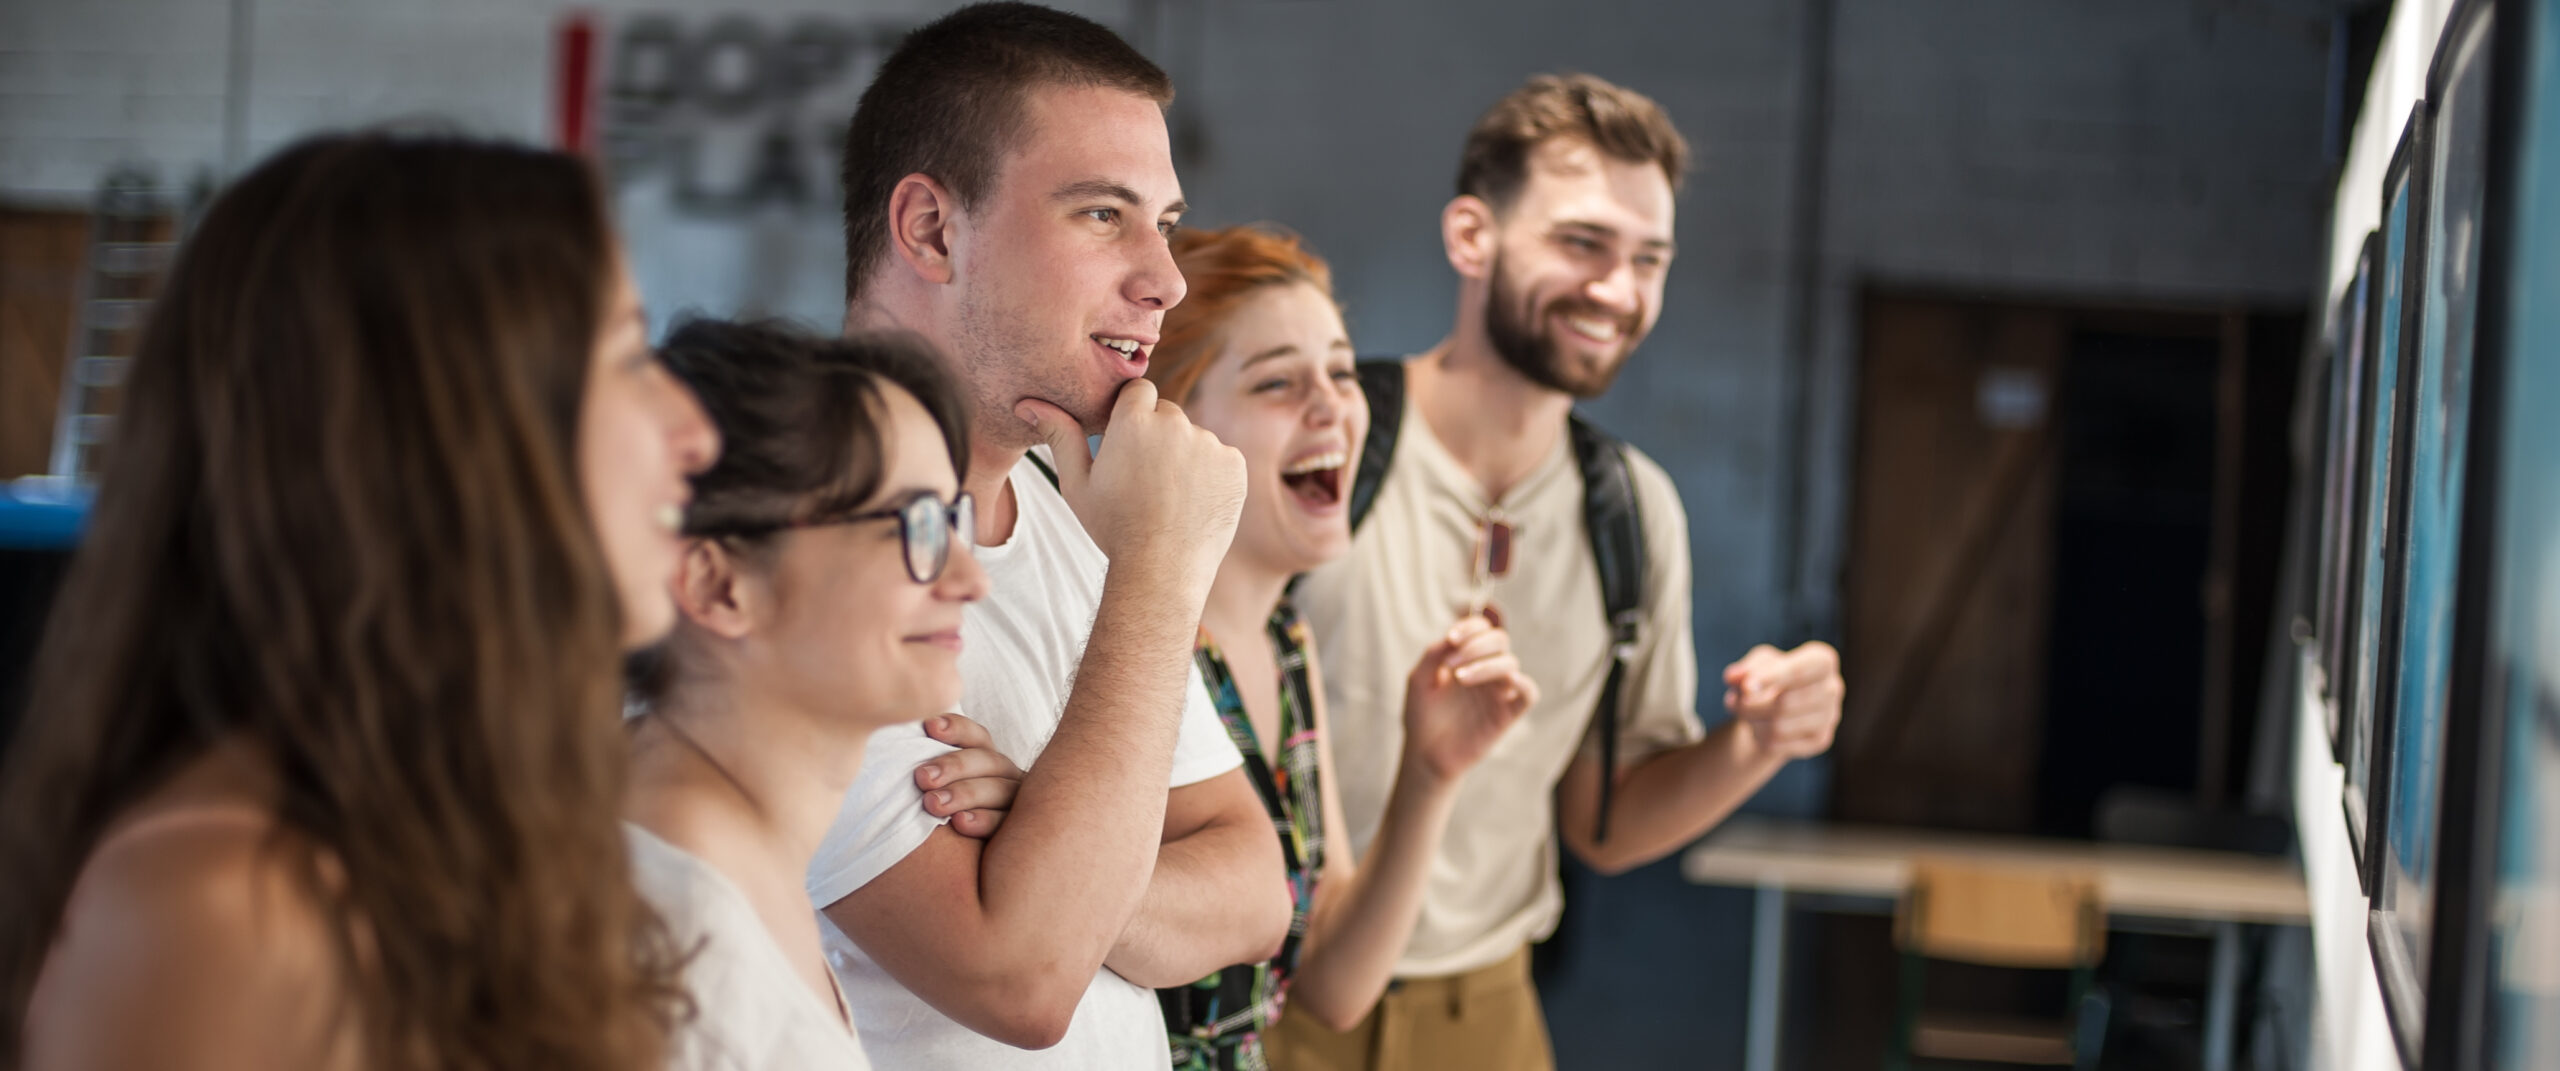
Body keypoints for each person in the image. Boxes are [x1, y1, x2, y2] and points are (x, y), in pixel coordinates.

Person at [0, 132, 718, 1070]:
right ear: (449, 434)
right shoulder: (224, 901)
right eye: (630, 355)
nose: (697, 430)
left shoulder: (464, 828)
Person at [1277, 74, 1849, 1071]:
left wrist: (1756, 743)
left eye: (1649, 260)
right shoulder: (1320, 439)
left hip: (1488, 1014)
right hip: (1270, 991)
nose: (1618, 291)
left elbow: (1608, 824)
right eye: (1582, 243)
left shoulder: (1633, 512)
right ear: (1471, 236)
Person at [809, 3, 1291, 1067]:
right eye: (1101, 215)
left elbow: (1257, 889)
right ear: (932, 230)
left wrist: (1044, 838)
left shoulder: (1062, 503)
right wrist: (1158, 575)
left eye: (1162, 222)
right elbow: (1019, 978)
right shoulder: (804, 528)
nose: (1164, 280)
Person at [1139, 224, 1541, 1070]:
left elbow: (1332, 983)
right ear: (1172, 423)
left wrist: (1429, 774)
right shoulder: (1134, 646)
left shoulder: (1287, 639)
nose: (1333, 406)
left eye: (1344, 373)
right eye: (1279, 381)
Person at [622, 319, 1001, 1069]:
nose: (969, 579)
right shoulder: (672, 933)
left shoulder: (734, 872)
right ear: (718, 583)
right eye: (913, 526)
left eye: (952, 522)